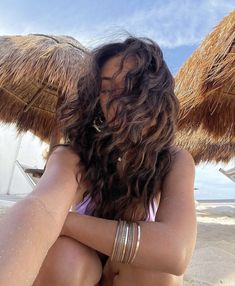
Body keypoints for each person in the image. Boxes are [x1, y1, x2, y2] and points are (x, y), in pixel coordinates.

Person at [0, 36, 197, 286]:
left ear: (156, 95)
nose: (119, 101)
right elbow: (41, 208)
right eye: (107, 90)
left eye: (134, 87)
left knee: (157, 273)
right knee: (65, 257)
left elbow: (175, 252)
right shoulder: (73, 156)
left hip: (133, 278)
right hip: (80, 275)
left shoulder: (173, 161)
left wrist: (66, 222)